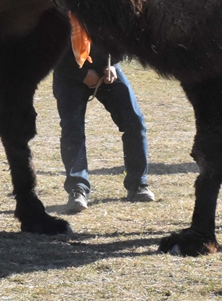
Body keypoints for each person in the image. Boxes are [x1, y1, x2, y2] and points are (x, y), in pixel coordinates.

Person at [54, 43, 154, 213]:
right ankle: (77, 189)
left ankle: (138, 185)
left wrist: (113, 63)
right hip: (68, 73)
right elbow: (48, 47)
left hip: (108, 69)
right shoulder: (56, 15)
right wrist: (81, 73)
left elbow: (119, 32)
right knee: (72, 130)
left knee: (134, 122)